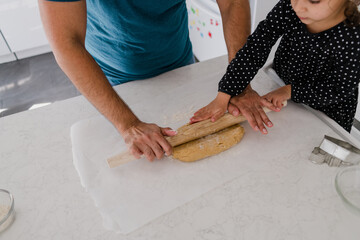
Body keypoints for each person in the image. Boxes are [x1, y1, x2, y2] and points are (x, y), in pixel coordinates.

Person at [38, 0, 251, 161]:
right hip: (110, 80)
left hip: (180, 63)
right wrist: (127, 124)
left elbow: (232, 3)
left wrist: (239, 81)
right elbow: (67, 42)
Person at [190, 0, 360, 133]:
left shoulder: (353, 39)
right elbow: (257, 46)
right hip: (280, 83)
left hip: (328, 110)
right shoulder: (289, 6)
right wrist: (224, 94)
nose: (299, 7)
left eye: (314, 0)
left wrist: (291, 91)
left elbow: (340, 88)